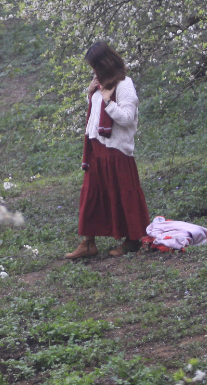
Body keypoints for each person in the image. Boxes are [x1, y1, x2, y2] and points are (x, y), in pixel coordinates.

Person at [64, 42, 150, 259]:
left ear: (104, 63)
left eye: (95, 66)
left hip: (116, 151)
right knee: (92, 194)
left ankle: (131, 240)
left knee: (122, 194)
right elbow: (95, 115)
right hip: (97, 149)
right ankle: (88, 243)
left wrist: (107, 100)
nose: (93, 71)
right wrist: (91, 94)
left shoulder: (124, 84)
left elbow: (127, 118)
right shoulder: (101, 84)